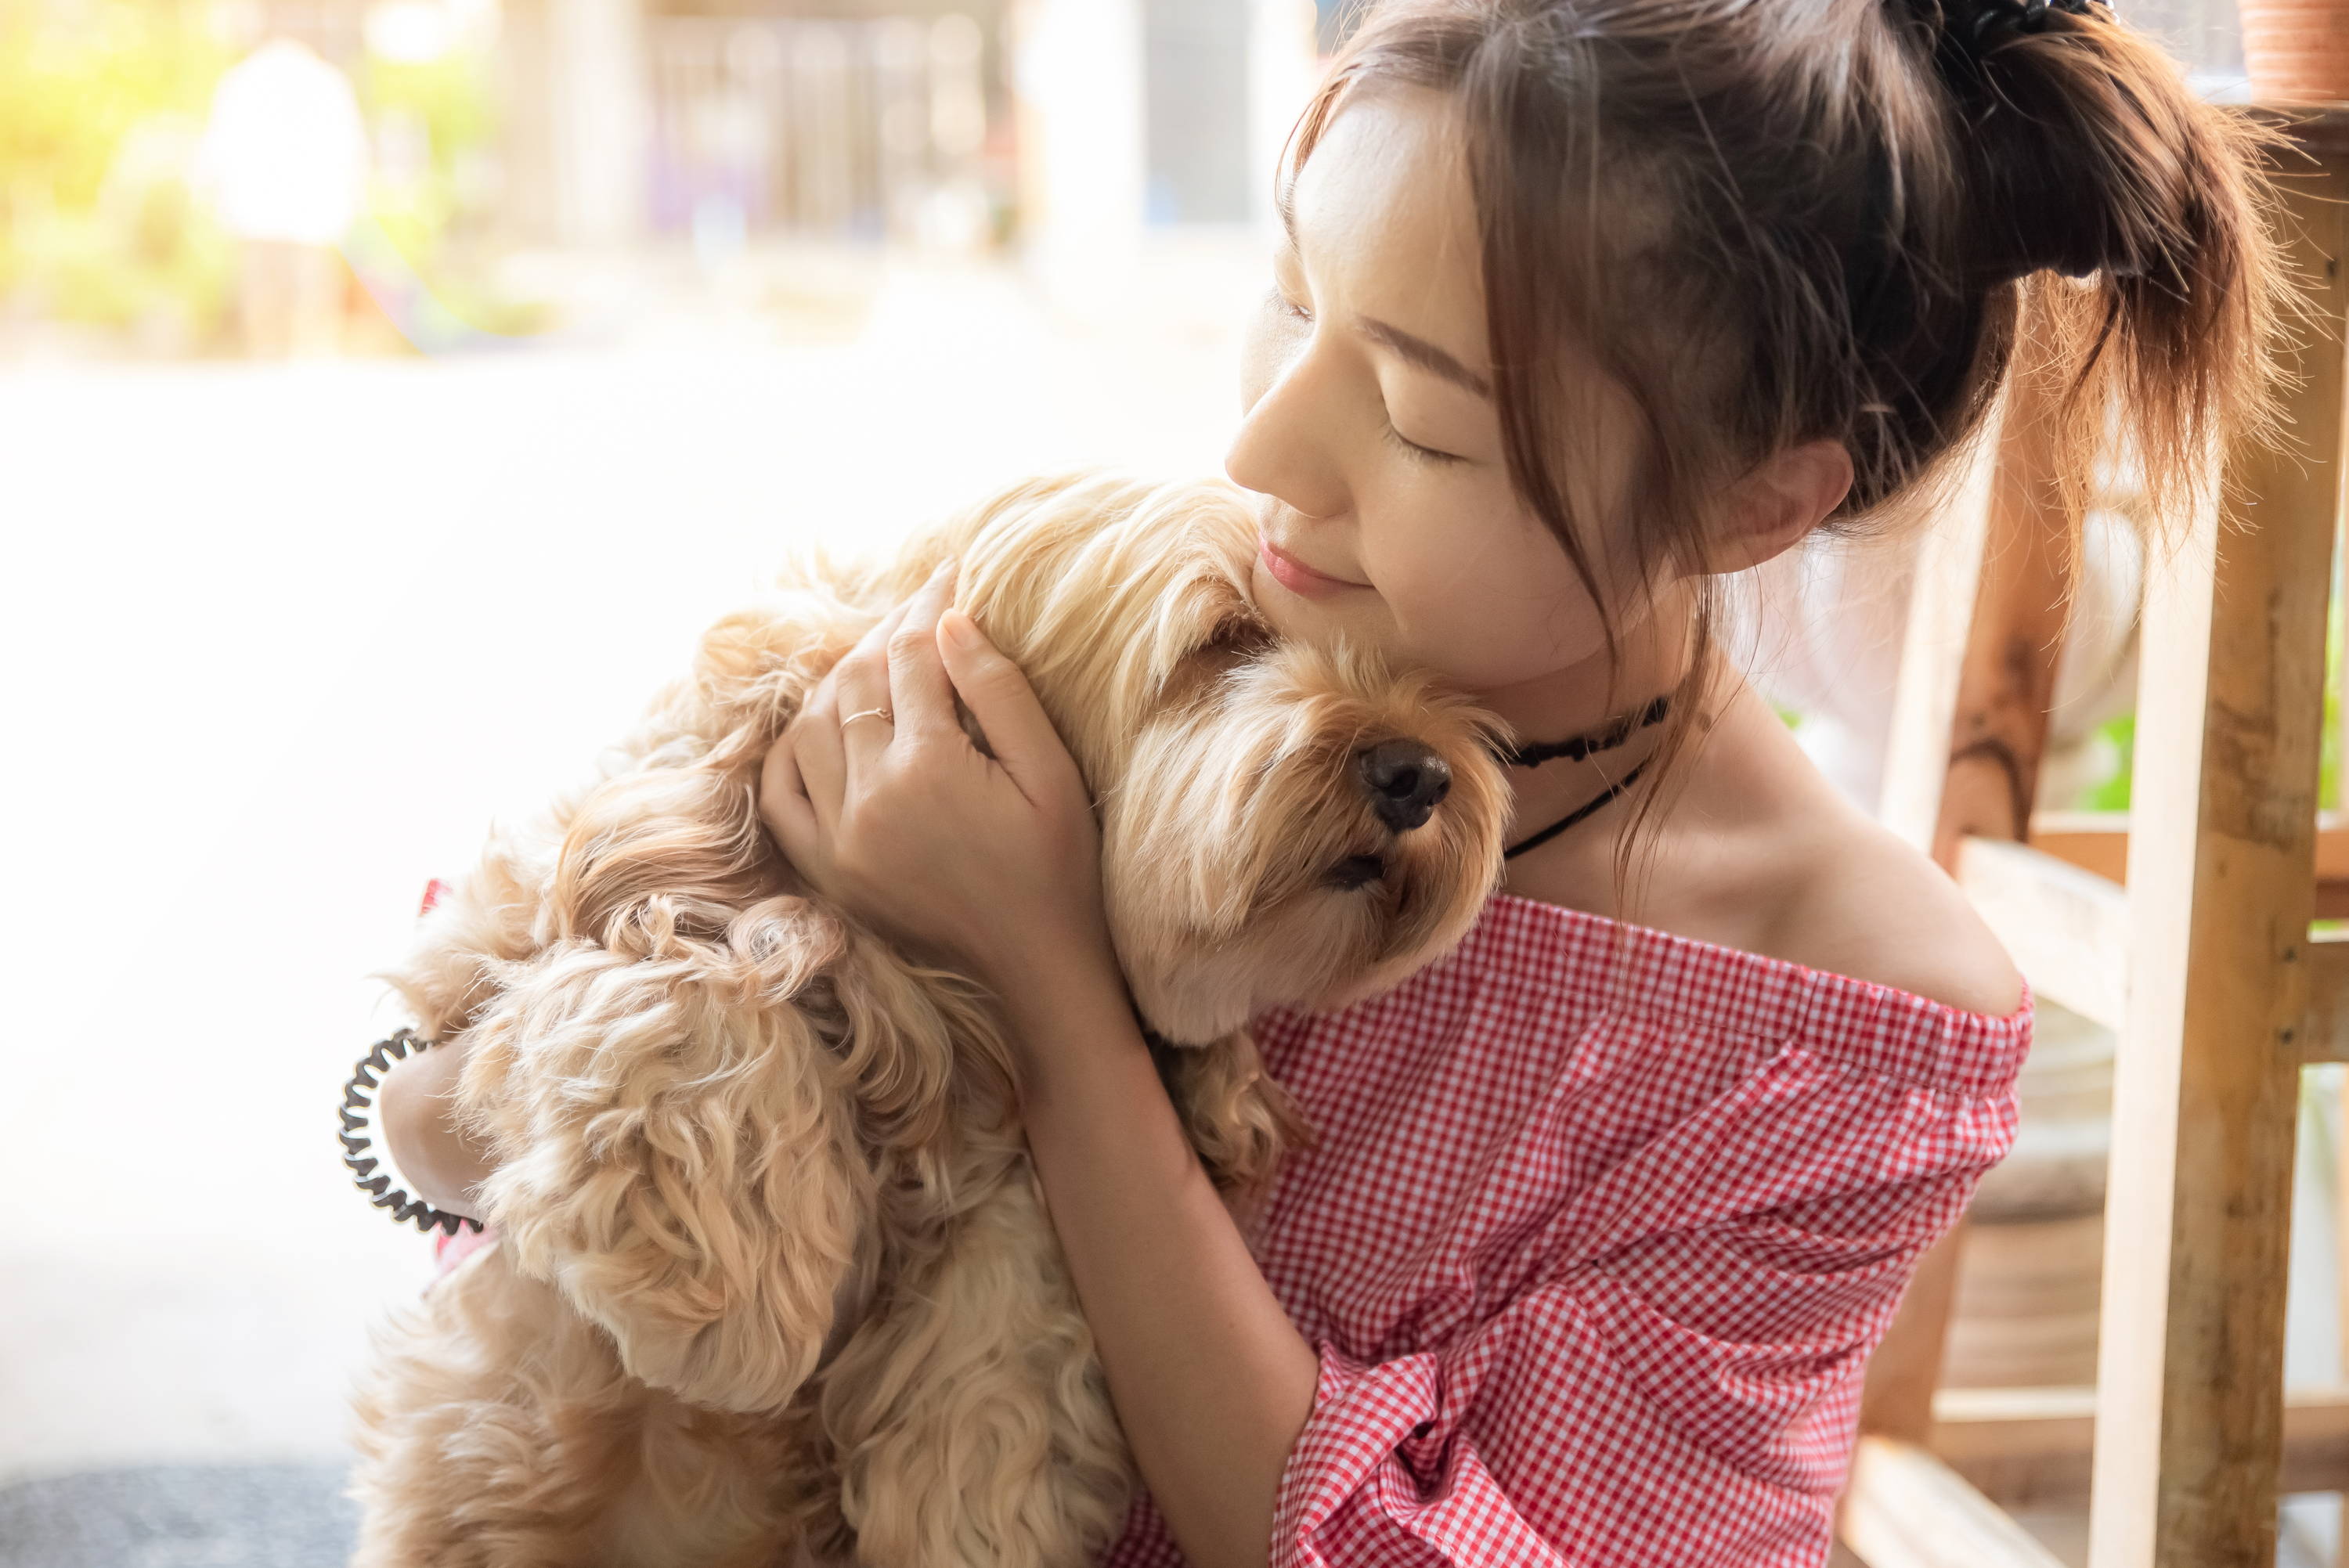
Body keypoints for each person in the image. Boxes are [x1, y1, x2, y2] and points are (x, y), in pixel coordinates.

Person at [372, 0, 2289, 1561]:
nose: (1267, 446)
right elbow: (451, 1128)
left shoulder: (1839, 1024)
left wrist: (1053, 998)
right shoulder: (1117, 626)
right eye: (1294, 297)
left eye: (1424, 416)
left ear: (1751, 499)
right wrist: (511, 1096)